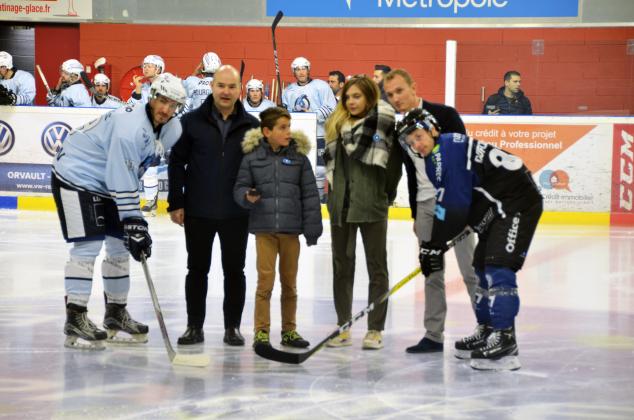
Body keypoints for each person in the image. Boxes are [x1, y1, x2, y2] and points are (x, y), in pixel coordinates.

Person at [396, 108, 543, 371]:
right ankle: (488, 329)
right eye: (411, 143)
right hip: (497, 204)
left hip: (516, 202)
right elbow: (449, 204)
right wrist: (433, 247)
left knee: (499, 266)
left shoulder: (446, 150)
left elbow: (454, 208)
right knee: (481, 267)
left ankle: (505, 343)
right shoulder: (439, 154)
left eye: (418, 136)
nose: (416, 145)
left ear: (432, 129)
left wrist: (433, 246)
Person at [50, 73, 186, 350]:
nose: (166, 110)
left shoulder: (172, 128)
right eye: (162, 101)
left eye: (173, 105)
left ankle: (115, 313)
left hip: (109, 180)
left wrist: (132, 224)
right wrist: (134, 219)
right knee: (87, 246)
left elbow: (131, 170)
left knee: (120, 247)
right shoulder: (129, 127)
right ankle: (75, 316)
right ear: (152, 97)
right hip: (76, 174)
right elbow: (119, 173)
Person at [383, 68, 478, 354]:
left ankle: (489, 328)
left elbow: (464, 160)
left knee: (470, 269)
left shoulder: (446, 115)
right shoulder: (400, 131)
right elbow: (411, 174)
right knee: (431, 270)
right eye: (390, 95)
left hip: (456, 204)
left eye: (400, 90)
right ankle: (433, 335)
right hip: (426, 206)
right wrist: (415, 213)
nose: (396, 98)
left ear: (414, 86)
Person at [168, 65, 260, 346]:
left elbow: (259, 167)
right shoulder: (191, 122)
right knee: (197, 270)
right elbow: (176, 162)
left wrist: (257, 196)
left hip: (236, 213)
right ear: (212, 86)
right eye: (221, 85)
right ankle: (194, 327)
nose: (226, 91)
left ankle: (232, 327)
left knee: (235, 271)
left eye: (232, 86)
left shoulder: (252, 126)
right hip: (198, 210)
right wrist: (176, 201)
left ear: (239, 89)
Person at [323, 75, 402, 350]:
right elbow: (331, 168)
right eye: (347, 97)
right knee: (341, 266)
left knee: (377, 268)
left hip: (372, 204)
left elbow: (393, 169)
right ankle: (343, 326)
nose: (351, 101)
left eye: (357, 96)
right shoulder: (336, 126)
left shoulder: (383, 126)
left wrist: (383, 196)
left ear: (369, 97)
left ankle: (375, 329)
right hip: (340, 205)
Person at [234, 107, 323, 348]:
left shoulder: (298, 159)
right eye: (282, 127)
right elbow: (240, 187)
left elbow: (310, 195)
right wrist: (246, 196)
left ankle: (289, 330)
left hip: (290, 230)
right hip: (264, 230)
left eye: (289, 126)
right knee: (265, 282)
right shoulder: (252, 159)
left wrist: (312, 228)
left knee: (289, 283)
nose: (288, 132)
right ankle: (261, 332)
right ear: (267, 131)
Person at [282, 56, 337, 203]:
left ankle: (318, 198)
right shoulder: (288, 91)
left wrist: (312, 115)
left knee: (319, 169)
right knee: (296, 168)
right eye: (297, 69)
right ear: (294, 72)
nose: (301, 72)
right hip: (298, 136)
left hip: (319, 134)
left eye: (303, 68)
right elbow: (286, 114)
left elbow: (332, 107)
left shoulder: (321, 86)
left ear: (308, 70)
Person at [127, 55, 166, 216]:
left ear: (158, 68)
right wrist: (136, 90)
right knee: (148, 169)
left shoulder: (166, 86)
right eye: (145, 65)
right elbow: (131, 108)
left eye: (149, 65)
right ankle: (150, 204)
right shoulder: (142, 88)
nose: (145, 68)